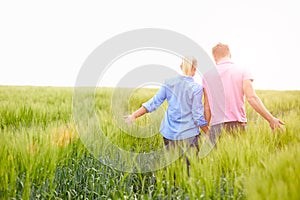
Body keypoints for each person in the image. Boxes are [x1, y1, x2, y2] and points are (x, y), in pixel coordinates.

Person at [126, 57, 209, 171]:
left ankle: (171, 188)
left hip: (169, 135)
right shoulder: (197, 88)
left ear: (181, 67)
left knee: (172, 170)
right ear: (194, 69)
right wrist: (208, 133)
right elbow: (197, 116)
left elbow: (153, 103)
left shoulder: (169, 83)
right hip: (189, 136)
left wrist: (134, 115)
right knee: (190, 172)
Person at [203, 43, 285, 144]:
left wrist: (207, 132)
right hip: (237, 126)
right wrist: (271, 119)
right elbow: (252, 98)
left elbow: (207, 107)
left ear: (214, 58)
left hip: (215, 128)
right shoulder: (242, 70)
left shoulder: (207, 76)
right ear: (230, 54)